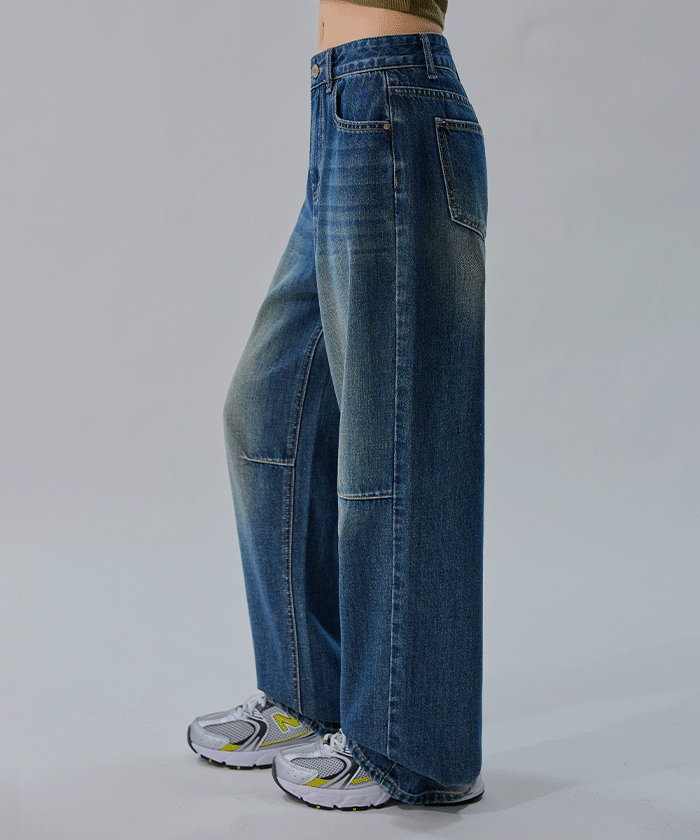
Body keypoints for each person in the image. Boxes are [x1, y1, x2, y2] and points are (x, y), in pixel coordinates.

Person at [187, 0, 488, 810]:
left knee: (395, 450)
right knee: (266, 412)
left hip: (393, 98)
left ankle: (413, 747)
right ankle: (305, 693)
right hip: (343, 108)